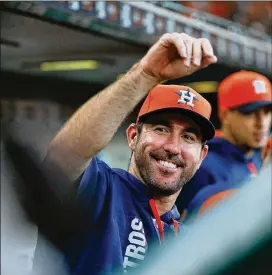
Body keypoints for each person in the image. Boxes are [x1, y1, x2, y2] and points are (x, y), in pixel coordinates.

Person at [41, 33, 217, 275]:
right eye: (161, 129)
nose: (173, 147)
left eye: (188, 137)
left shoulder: (187, 243)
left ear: (202, 155)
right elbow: (64, 155)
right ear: (133, 136)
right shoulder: (99, 188)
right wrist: (145, 76)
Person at [176, 70, 272, 220]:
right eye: (250, 113)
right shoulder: (201, 165)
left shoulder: (257, 158)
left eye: (267, 112)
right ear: (225, 115)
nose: (262, 123)